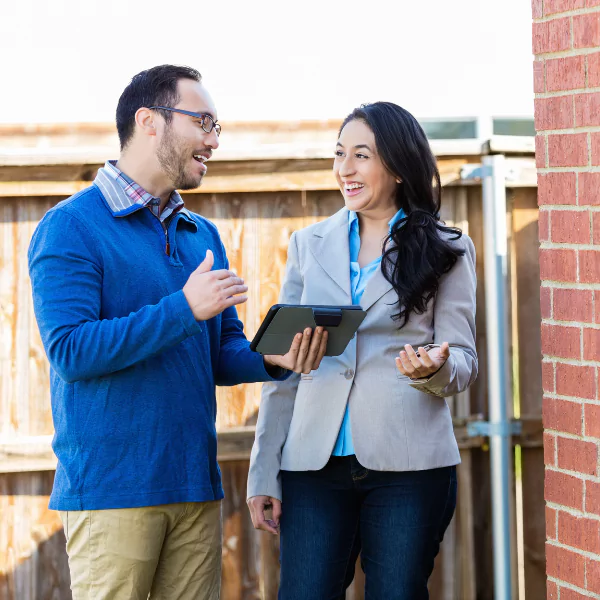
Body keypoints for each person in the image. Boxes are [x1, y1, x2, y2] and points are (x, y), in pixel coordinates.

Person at [28, 64, 327, 600]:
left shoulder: (200, 233)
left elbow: (221, 353)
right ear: (149, 121)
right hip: (111, 493)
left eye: (218, 127)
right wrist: (183, 309)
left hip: (194, 486)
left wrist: (274, 357)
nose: (214, 141)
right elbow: (70, 351)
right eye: (204, 122)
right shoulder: (71, 226)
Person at [247, 101, 478, 599]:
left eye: (360, 155)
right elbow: (285, 369)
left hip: (409, 467)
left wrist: (433, 368)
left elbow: (463, 358)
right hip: (312, 466)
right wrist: (263, 469)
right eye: (339, 154)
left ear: (395, 166)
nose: (344, 169)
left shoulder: (447, 248)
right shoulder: (308, 244)